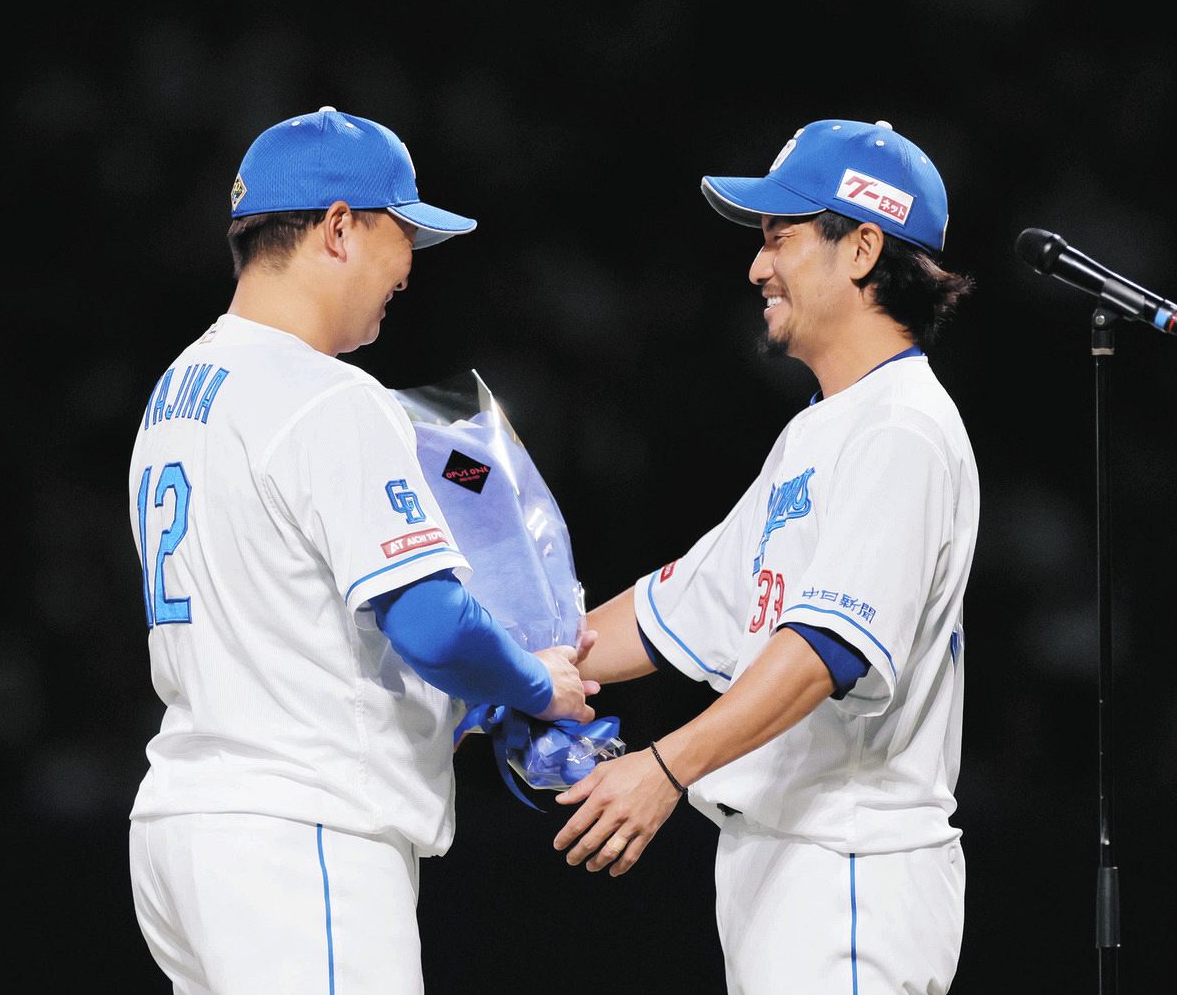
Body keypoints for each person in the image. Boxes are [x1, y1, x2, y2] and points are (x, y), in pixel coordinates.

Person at [126, 106, 597, 995]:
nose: (409, 268)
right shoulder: (325, 395)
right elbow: (430, 622)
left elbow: (293, 629)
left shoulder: (177, 389)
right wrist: (538, 681)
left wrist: (447, 710)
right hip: (299, 835)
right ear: (339, 228)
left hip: (186, 829)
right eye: (401, 232)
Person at [553, 118, 979, 993]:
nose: (757, 267)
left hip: (853, 869)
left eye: (779, 237)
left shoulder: (902, 428)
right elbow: (676, 607)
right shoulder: (821, 430)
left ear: (862, 247)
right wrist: (527, 661)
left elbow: (827, 650)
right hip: (787, 865)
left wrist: (667, 766)